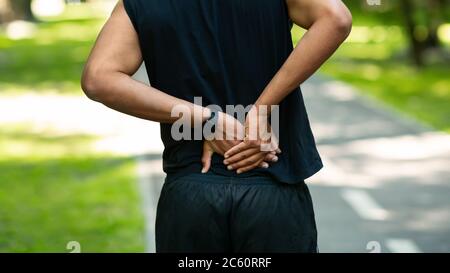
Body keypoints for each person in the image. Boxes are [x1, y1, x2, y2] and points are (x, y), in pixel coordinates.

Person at [81, 0, 352, 253]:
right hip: (272, 184)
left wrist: (206, 120)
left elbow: (98, 78)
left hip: (191, 193)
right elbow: (335, 18)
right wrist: (260, 110)